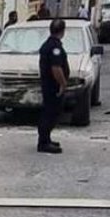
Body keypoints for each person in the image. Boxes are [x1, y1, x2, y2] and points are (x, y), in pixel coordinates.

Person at [38, 18, 70, 154]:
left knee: (50, 112)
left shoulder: (49, 44)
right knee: (50, 113)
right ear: (62, 31)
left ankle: (46, 139)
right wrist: (63, 84)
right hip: (52, 85)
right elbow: (56, 68)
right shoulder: (55, 47)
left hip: (48, 84)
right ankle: (44, 142)